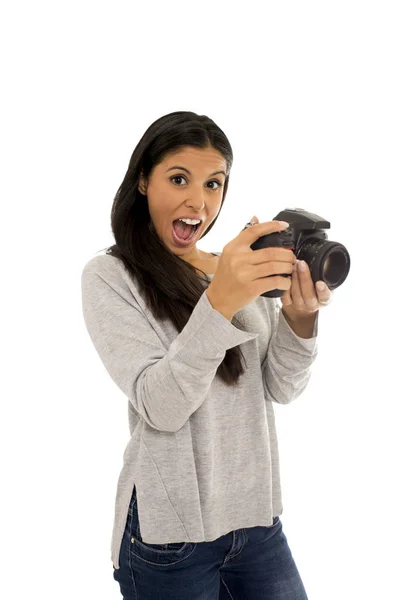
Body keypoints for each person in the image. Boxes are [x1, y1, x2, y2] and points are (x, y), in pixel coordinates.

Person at [81, 111, 328, 599]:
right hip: (171, 534)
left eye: (214, 184)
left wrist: (300, 321)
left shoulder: (233, 268)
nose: (199, 201)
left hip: (256, 518)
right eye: (179, 179)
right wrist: (221, 301)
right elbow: (161, 405)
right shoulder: (110, 277)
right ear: (144, 182)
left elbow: (281, 388)